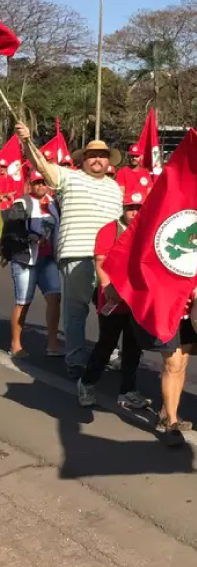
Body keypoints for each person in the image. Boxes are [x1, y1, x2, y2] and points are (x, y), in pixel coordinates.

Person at [15, 122, 123, 379]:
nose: (97, 159)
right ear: (83, 160)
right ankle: (75, 359)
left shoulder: (115, 189)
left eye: (102, 156)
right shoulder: (68, 177)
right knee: (76, 312)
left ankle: (112, 354)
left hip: (110, 259)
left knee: (113, 310)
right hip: (77, 254)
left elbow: (121, 225)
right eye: (92, 155)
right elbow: (42, 166)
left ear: (109, 162)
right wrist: (27, 142)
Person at [77, 190, 150, 410]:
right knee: (107, 344)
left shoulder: (148, 230)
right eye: (130, 208)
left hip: (136, 300)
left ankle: (128, 390)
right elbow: (101, 261)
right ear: (123, 208)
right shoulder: (110, 230)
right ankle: (87, 383)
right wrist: (107, 285)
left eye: (138, 208)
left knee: (133, 346)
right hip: (114, 298)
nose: (134, 212)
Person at [1, 171, 63, 358]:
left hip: (48, 260)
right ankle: (16, 344)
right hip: (25, 260)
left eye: (43, 183)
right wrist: (30, 236)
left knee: (54, 298)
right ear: (30, 184)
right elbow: (12, 230)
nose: (40, 186)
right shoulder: (22, 203)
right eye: (36, 183)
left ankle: (52, 343)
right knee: (24, 302)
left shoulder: (53, 204)